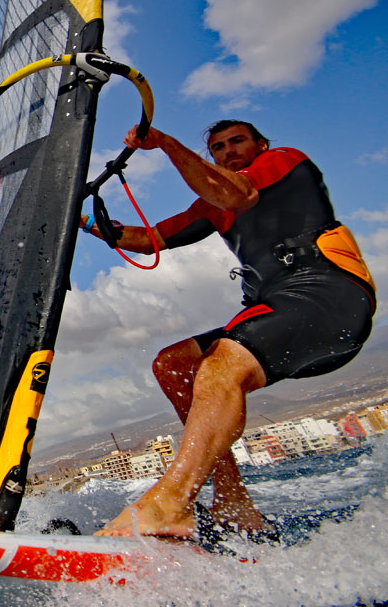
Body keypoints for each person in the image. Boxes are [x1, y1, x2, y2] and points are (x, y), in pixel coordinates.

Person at [80, 120, 376, 539]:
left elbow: (238, 192)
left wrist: (163, 142)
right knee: (174, 364)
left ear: (260, 143)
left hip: (331, 297)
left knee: (220, 363)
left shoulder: (284, 162)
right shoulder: (212, 207)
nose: (229, 151)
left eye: (237, 141)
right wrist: (81, 220)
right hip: (278, 309)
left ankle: (170, 503)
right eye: (219, 148)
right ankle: (234, 503)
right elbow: (149, 239)